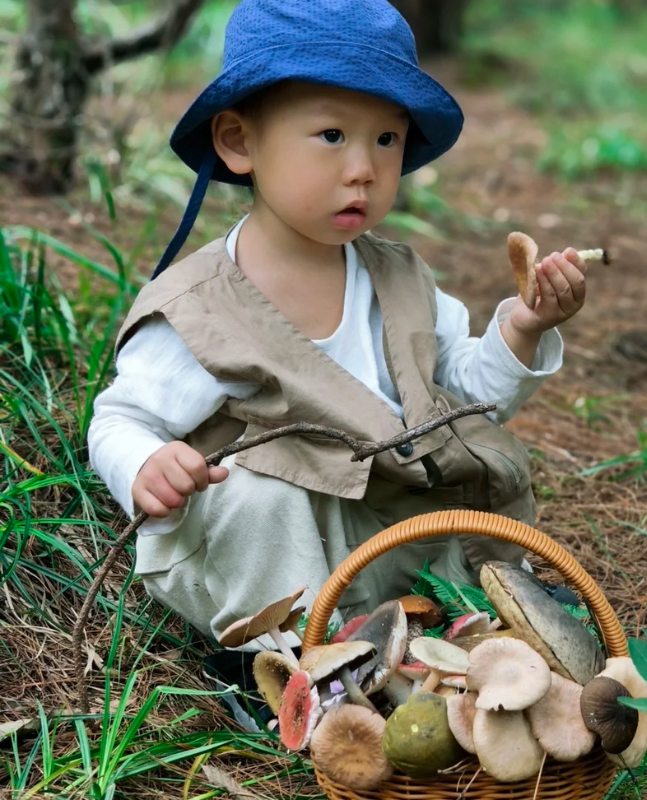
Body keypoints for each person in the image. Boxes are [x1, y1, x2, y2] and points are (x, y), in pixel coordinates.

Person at [88, 0, 588, 726]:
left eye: (387, 139)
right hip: (263, 551)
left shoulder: (401, 279)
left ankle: (438, 629)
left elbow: (473, 397)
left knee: (460, 472)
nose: (363, 169)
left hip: (373, 518)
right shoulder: (202, 308)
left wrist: (524, 327)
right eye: (330, 135)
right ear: (237, 142)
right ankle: (280, 662)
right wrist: (143, 465)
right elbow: (120, 416)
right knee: (261, 498)